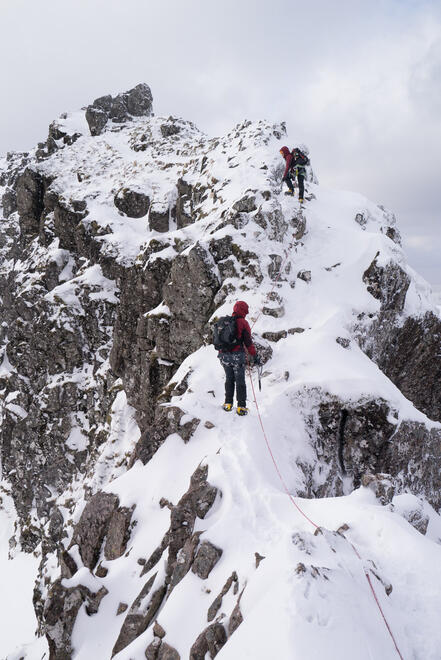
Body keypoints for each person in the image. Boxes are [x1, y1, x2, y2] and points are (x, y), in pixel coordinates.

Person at [217, 300, 258, 416]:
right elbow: (248, 343)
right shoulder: (243, 323)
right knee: (240, 381)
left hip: (224, 356)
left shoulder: (225, 322)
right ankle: (241, 407)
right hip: (237, 356)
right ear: (244, 310)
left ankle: (228, 404)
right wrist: (254, 355)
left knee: (229, 379)